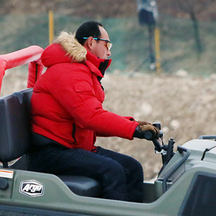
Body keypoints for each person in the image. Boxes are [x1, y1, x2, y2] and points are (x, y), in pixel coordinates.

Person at [28, 21, 159, 202]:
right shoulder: (68, 72)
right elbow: (91, 117)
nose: (109, 51)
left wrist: (133, 124)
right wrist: (133, 130)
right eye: (107, 44)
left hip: (72, 146)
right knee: (112, 171)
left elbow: (90, 117)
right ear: (91, 42)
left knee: (132, 167)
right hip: (52, 151)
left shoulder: (81, 70)